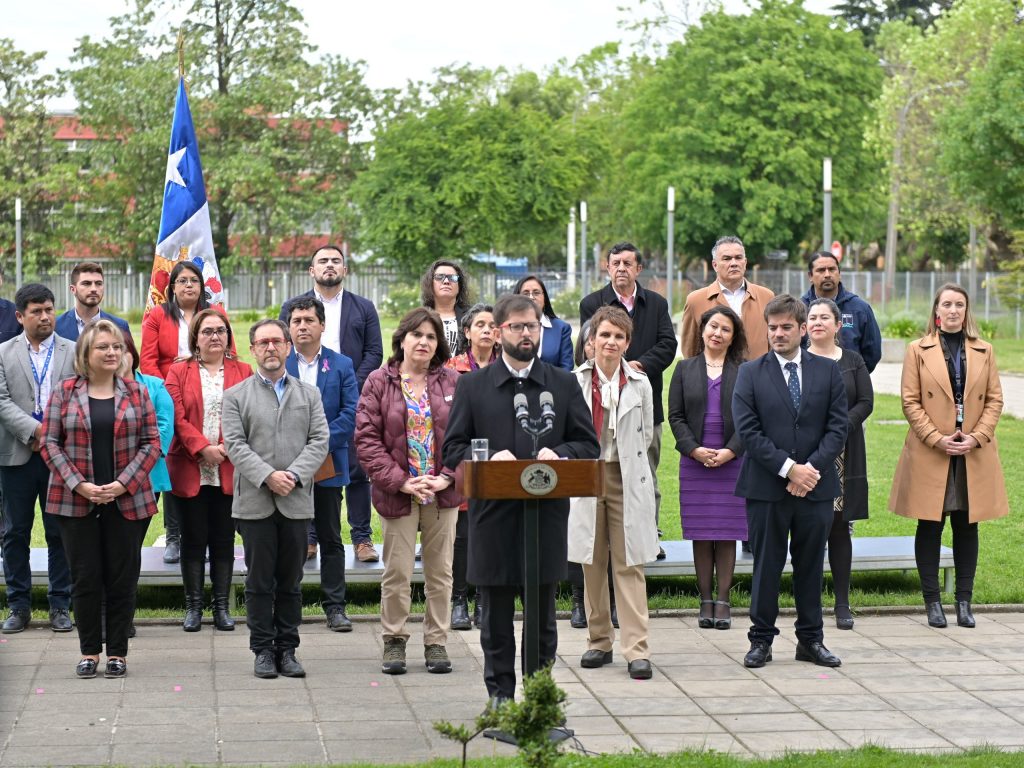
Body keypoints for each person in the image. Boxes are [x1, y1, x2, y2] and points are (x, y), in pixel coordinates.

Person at [443, 293, 600, 709]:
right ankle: (499, 694)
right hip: (493, 517)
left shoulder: (561, 384)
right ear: (498, 332)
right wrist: (488, 457)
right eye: (516, 326)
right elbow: (452, 448)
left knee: (542, 613)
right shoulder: (473, 385)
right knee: (494, 614)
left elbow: (587, 443)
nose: (526, 333)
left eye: (532, 325)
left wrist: (561, 453)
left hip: (544, 517)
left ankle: (539, 693)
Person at [732, 294, 848, 669]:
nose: (778, 334)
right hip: (767, 488)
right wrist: (788, 469)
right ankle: (761, 640)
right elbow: (748, 432)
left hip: (815, 488)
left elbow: (837, 427)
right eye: (772, 327)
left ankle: (811, 640)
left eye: (785, 327)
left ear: (802, 329)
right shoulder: (750, 372)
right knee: (767, 564)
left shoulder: (828, 371)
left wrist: (809, 471)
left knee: (811, 565)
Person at [40, 320, 160, 678]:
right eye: (103, 347)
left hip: (127, 501)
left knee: (122, 578)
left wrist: (123, 484)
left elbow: (152, 443)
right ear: (85, 354)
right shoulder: (63, 392)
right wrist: (79, 485)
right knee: (85, 577)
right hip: (74, 501)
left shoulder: (137, 392)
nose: (111, 353)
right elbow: (49, 443)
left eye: (116, 347)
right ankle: (90, 651)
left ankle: (118, 652)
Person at [890, 284, 1008, 629]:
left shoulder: (985, 350)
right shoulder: (917, 349)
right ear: (937, 310)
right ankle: (932, 603)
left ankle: (964, 602)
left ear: (967, 310)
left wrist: (976, 437)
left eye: (959, 304)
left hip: (973, 451)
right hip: (933, 450)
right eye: (947, 304)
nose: (953, 310)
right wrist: (936, 438)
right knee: (930, 524)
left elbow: (995, 400)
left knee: (967, 526)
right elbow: (910, 400)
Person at [356, 308, 463, 675]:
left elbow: (468, 438)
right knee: (398, 572)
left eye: (431, 337)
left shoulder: (454, 382)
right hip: (397, 492)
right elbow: (367, 440)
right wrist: (401, 480)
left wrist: (448, 477)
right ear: (402, 339)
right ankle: (394, 641)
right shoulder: (378, 382)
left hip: (442, 493)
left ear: (439, 345)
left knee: (440, 573)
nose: (423, 342)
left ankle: (436, 643)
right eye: (417, 335)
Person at [222, 319, 329, 679]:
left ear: (287, 347)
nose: (270, 348)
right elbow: (235, 445)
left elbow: (319, 441)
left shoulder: (309, 394)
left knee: (290, 581)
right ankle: (263, 650)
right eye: (262, 342)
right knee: (259, 580)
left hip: (297, 501)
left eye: (276, 342)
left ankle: (288, 648)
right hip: (255, 502)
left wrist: (294, 476)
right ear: (252, 349)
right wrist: (268, 476)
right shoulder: (236, 396)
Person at [568, 307, 658, 680]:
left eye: (619, 337)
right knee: (592, 561)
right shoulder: (573, 382)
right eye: (605, 335)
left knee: (630, 562)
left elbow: (647, 435)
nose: (611, 342)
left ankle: (636, 649)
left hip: (625, 475)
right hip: (589, 475)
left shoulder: (640, 382)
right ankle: (598, 641)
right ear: (591, 341)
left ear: (627, 343)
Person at [280, 245, 383, 564]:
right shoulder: (294, 307)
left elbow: (374, 352)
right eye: (322, 261)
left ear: (345, 270)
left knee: (355, 469)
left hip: (348, 394)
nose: (329, 265)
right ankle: (310, 538)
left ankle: (362, 538)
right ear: (311, 270)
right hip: (301, 396)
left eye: (335, 261)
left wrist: (348, 379)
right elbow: (283, 347)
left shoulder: (363, 307)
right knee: (309, 470)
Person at [580, 242, 676, 552]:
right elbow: (587, 346)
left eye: (628, 263)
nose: (621, 268)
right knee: (602, 475)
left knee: (645, 474)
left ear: (639, 269)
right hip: (600, 404)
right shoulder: (591, 303)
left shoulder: (657, 304)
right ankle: (603, 540)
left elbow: (667, 345)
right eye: (616, 263)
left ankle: (650, 536)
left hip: (643, 403)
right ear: (606, 268)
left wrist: (636, 367)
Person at [165, 310, 252, 632]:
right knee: (192, 539)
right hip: (190, 466)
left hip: (229, 466)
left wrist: (226, 448)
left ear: (229, 336)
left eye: (221, 330)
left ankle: (220, 608)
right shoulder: (177, 371)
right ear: (195, 338)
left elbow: (248, 415)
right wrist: (203, 448)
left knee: (223, 538)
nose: (215, 336)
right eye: (207, 331)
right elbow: (175, 415)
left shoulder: (243, 371)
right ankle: (193, 607)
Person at [141, 260, 230, 566]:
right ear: (172, 287)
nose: (189, 285)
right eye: (182, 281)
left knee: (208, 469)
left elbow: (228, 353)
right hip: (168, 397)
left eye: (194, 280)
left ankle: (207, 536)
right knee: (174, 464)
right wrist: (166, 392)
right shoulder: (157, 316)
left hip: (207, 394)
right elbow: (148, 360)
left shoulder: (215, 315)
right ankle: (174, 534)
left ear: (202, 286)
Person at [0, 284, 75, 634]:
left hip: (61, 458)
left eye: (49, 309)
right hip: (17, 454)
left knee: (60, 530)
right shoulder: (2, 353)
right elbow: (1, 402)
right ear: (20, 316)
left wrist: (53, 435)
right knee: (15, 532)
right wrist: (35, 432)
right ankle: (18, 605)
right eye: (36, 311)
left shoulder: (72, 351)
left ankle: (60, 604)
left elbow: (79, 397)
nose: (45, 317)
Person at [668, 306, 747, 631]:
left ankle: (724, 599)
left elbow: (750, 418)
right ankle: (704, 599)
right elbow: (676, 416)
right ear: (702, 331)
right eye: (713, 327)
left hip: (733, 460)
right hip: (695, 462)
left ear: (733, 336)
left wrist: (730, 451)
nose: (717, 333)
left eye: (725, 329)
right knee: (701, 534)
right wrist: (694, 449)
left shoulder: (744, 370)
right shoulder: (684, 369)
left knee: (727, 533)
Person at [285, 297, 360, 632]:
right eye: (297, 320)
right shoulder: (279, 362)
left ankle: (335, 606)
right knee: (292, 538)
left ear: (322, 325)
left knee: (330, 536)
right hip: (286, 465)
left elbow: (350, 413)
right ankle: (289, 604)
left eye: (309, 320)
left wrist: (316, 447)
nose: (302, 326)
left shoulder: (341, 365)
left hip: (328, 463)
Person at [805, 298, 873, 630]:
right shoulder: (796, 360)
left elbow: (865, 401)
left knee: (838, 526)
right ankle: (810, 601)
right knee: (811, 527)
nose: (818, 322)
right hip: (807, 455)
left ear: (836, 325)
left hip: (844, 453)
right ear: (805, 325)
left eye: (824, 318)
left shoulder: (853, 360)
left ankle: (842, 603)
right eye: (812, 317)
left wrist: (840, 426)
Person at [444, 303, 498, 630]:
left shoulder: (508, 367)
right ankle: (458, 599)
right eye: (480, 325)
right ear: (467, 332)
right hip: (464, 457)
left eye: (493, 325)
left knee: (490, 534)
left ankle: (485, 600)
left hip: (498, 460)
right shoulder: (452, 369)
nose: (487, 331)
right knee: (462, 535)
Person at [119, 336, 175, 638]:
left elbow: (164, 428)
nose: (116, 354)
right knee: (108, 551)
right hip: (105, 482)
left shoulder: (154, 386)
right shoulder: (93, 389)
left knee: (129, 550)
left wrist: (134, 469)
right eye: (108, 348)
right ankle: (105, 611)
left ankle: (124, 616)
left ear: (132, 354)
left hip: (145, 480)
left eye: (122, 348)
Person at [681, 236, 775, 360]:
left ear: (745, 263)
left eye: (738, 258)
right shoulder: (696, 300)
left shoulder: (766, 297)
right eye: (727, 258)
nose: (734, 263)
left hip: (758, 376)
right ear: (715, 265)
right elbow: (689, 350)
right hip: (715, 377)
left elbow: (774, 343)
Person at [801, 252, 882, 373]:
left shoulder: (860, 308)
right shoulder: (799, 309)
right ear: (810, 276)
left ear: (839, 273)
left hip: (849, 386)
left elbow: (872, 353)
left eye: (832, 269)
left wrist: (855, 377)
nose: (827, 274)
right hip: (809, 385)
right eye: (821, 270)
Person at [54, 261, 133, 344]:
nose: (94, 289)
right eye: (86, 283)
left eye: (98, 283)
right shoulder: (56, 326)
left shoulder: (120, 326)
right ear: (73, 289)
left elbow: (129, 357)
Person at [514, 274, 573, 370]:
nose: (531, 297)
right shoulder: (508, 327)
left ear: (544, 298)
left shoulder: (561, 329)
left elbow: (566, 369)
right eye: (525, 293)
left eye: (536, 293)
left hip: (552, 384)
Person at [421, 259, 473, 356]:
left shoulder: (472, 317)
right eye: (439, 277)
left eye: (452, 278)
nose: (446, 281)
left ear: (459, 285)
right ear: (430, 283)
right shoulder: (420, 317)